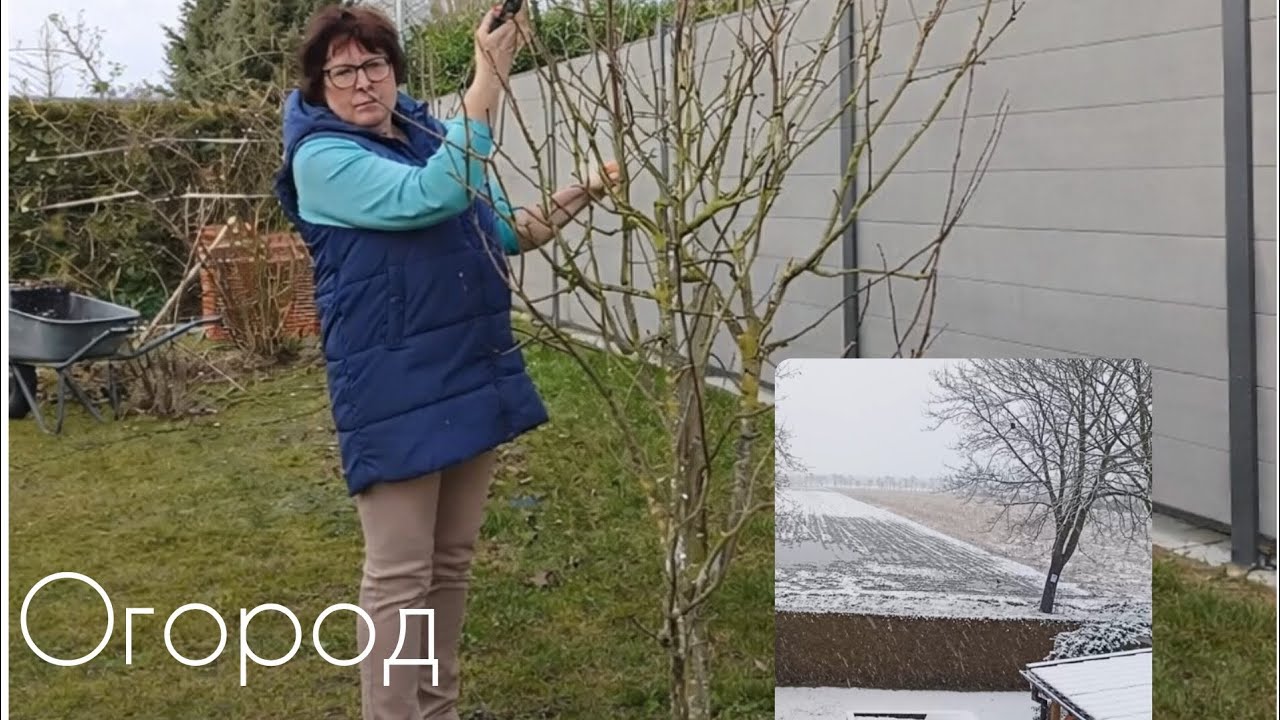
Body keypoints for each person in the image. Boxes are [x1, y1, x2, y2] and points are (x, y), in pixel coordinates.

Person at [272, 5, 621, 719]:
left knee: (450, 564)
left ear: (393, 70)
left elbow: (498, 230)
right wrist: (489, 76)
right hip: (394, 386)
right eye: (342, 72)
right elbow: (433, 196)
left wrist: (581, 190)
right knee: (400, 576)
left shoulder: (424, 133)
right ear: (317, 85)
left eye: (374, 65)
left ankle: (437, 710)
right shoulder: (322, 159)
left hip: (466, 367)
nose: (363, 83)